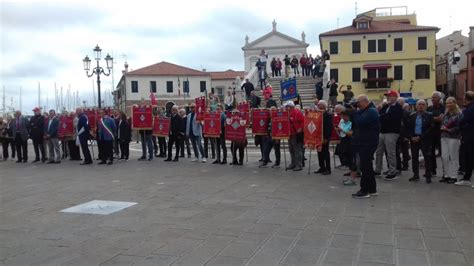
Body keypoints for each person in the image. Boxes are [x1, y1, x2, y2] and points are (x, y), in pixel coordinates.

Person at [351, 95, 380, 198]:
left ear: (364, 102)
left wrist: (354, 111)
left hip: (368, 142)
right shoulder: (367, 110)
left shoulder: (371, 111)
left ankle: (364, 190)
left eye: (358, 102)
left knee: (365, 167)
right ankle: (372, 189)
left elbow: (359, 122)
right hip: (366, 141)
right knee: (367, 166)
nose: (357, 105)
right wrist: (354, 110)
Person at [375, 90, 403, 181]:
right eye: (387, 96)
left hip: (392, 132)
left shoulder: (398, 107)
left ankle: (392, 171)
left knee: (391, 153)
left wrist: (384, 116)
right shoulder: (385, 106)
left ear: (395, 97)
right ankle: (378, 169)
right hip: (382, 132)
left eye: (390, 96)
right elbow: (380, 116)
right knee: (379, 152)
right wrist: (384, 116)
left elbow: (390, 118)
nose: (388, 98)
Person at [407, 100, 434, 183]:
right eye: (419, 104)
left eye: (423, 104)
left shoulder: (429, 115)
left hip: (424, 139)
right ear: (416, 106)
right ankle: (415, 175)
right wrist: (411, 137)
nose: (421, 106)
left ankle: (428, 175)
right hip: (414, 139)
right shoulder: (412, 115)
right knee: (414, 158)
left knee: (427, 158)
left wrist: (420, 137)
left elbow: (431, 128)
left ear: (425, 106)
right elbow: (408, 128)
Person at [439, 97, 462, 184]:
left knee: (453, 157)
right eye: (447, 103)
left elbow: (459, 127)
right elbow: (442, 124)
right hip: (444, 136)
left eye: (450, 103)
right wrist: (442, 127)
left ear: (454, 103)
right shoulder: (445, 113)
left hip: (454, 137)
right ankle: (446, 175)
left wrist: (448, 130)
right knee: (444, 157)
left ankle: (454, 176)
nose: (448, 104)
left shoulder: (459, 114)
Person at [455, 91, 474, 187]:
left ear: (466, 98)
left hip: (470, 136)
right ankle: (466, 178)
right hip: (468, 135)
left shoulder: (469, 109)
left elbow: (462, 121)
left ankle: (467, 178)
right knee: (468, 157)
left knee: (469, 157)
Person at [427, 91, 445, 176]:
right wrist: (435, 118)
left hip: (441, 133)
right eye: (432, 97)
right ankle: (432, 170)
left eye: (434, 97)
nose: (432, 99)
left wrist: (432, 118)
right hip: (431, 133)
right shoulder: (429, 108)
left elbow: (441, 119)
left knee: (443, 153)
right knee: (431, 152)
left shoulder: (443, 108)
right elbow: (427, 118)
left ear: (439, 99)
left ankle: (445, 172)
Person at [336, 110, 356, 185]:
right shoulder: (343, 122)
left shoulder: (352, 123)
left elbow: (351, 133)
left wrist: (342, 130)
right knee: (345, 156)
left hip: (350, 142)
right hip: (344, 141)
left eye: (344, 116)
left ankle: (353, 179)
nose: (343, 118)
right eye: (342, 116)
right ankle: (351, 176)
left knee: (351, 160)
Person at [314, 100, 333, 175]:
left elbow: (329, 127)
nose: (318, 106)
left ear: (324, 106)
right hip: (318, 136)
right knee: (319, 152)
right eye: (318, 105)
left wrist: (326, 138)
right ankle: (322, 167)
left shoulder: (328, 115)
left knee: (325, 153)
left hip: (324, 137)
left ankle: (328, 169)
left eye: (320, 105)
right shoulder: (317, 115)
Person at [286, 101, 304, 171]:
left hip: (296, 134)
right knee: (291, 149)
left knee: (297, 150)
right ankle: (293, 163)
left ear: (291, 106)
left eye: (288, 106)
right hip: (289, 133)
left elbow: (303, 121)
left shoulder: (297, 112)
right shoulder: (287, 113)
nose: (287, 107)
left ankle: (299, 165)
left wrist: (301, 128)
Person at [396, 99, 411, 171]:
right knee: (397, 151)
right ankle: (398, 165)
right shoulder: (396, 112)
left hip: (404, 134)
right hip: (397, 134)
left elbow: (408, 126)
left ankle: (405, 165)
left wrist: (407, 136)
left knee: (405, 150)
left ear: (402, 104)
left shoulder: (406, 113)